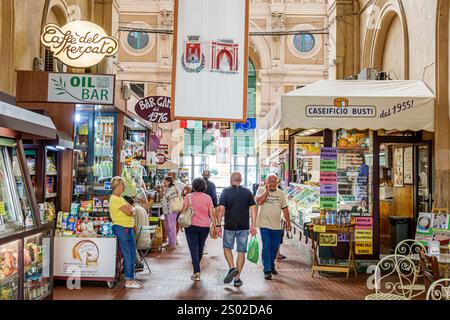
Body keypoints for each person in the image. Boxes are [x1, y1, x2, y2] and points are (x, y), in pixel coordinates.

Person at [216, 172, 257, 287]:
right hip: (244, 227)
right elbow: (253, 210)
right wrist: (254, 226)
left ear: (230, 180)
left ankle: (232, 268)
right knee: (241, 251)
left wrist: (218, 226)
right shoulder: (248, 192)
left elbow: (221, 210)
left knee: (227, 248)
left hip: (229, 226)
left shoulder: (225, 192)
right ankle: (237, 278)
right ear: (241, 180)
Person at [255, 173, 292, 280]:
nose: (273, 183)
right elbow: (259, 202)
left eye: (275, 181)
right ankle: (267, 270)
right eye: (271, 181)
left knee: (274, 248)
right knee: (266, 246)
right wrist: (266, 191)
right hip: (264, 224)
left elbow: (285, 209)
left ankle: (271, 265)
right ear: (266, 182)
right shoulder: (261, 190)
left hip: (277, 225)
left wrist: (288, 223)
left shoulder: (280, 193)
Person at [109, 177, 143, 289]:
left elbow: (132, 209)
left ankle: (131, 278)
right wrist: (131, 211)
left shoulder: (121, 198)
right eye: (122, 185)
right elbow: (130, 212)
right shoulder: (115, 199)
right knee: (128, 254)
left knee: (132, 254)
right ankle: (129, 280)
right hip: (122, 228)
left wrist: (131, 210)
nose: (124, 187)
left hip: (126, 228)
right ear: (117, 185)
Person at [182, 178, 216, 281]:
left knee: (193, 249)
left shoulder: (189, 197)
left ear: (193, 186)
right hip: (204, 227)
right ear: (204, 186)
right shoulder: (208, 198)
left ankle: (196, 272)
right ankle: (196, 270)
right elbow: (211, 212)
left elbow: (183, 210)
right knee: (200, 248)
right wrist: (214, 225)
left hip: (191, 226)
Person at [160, 176, 179, 250]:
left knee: (172, 226)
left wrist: (164, 189)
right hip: (166, 210)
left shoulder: (173, 188)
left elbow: (167, 196)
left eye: (165, 181)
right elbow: (163, 197)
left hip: (171, 210)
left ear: (169, 182)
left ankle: (173, 244)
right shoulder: (167, 188)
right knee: (167, 227)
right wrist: (163, 190)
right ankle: (169, 242)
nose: (164, 183)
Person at [202, 170, 218, 255]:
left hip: (197, 209)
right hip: (207, 208)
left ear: (202, 175)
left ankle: (199, 245)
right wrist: (215, 206)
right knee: (205, 226)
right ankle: (203, 245)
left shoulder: (196, 182)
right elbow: (214, 197)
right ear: (209, 176)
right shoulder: (212, 185)